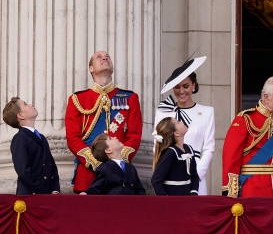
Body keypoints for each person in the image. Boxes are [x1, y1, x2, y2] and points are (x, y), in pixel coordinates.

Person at [65, 50, 143, 193]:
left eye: (107, 57)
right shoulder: (77, 100)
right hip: (88, 178)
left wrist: (117, 161)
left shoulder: (130, 97)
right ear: (91, 68)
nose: (105, 58)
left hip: (121, 179)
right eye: (99, 57)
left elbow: (135, 135)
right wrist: (96, 163)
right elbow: (73, 138)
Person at [221, 76, 273, 197]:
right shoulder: (245, 119)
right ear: (266, 97)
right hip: (251, 190)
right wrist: (231, 192)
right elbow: (231, 158)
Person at [154, 57, 214, 195]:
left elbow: (209, 148)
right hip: (170, 175)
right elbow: (156, 146)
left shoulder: (207, 112)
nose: (181, 91)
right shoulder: (163, 112)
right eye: (177, 87)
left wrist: (196, 175)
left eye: (185, 86)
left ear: (194, 85)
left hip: (196, 172)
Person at [2, 97, 60, 195]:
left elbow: (51, 166)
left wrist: (55, 189)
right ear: (20, 115)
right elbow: (24, 172)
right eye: (25, 104)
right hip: (31, 197)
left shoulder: (41, 137)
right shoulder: (20, 138)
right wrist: (43, 192)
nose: (30, 105)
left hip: (48, 196)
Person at [151, 117, 199, 196]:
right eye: (178, 122)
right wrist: (166, 200)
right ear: (176, 133)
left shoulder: (189, 149)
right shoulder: (170, 153)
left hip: (187, 200)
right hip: (174, 201)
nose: (181, 121)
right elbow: (155, 180)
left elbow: (194, 175)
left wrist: (193, 192)